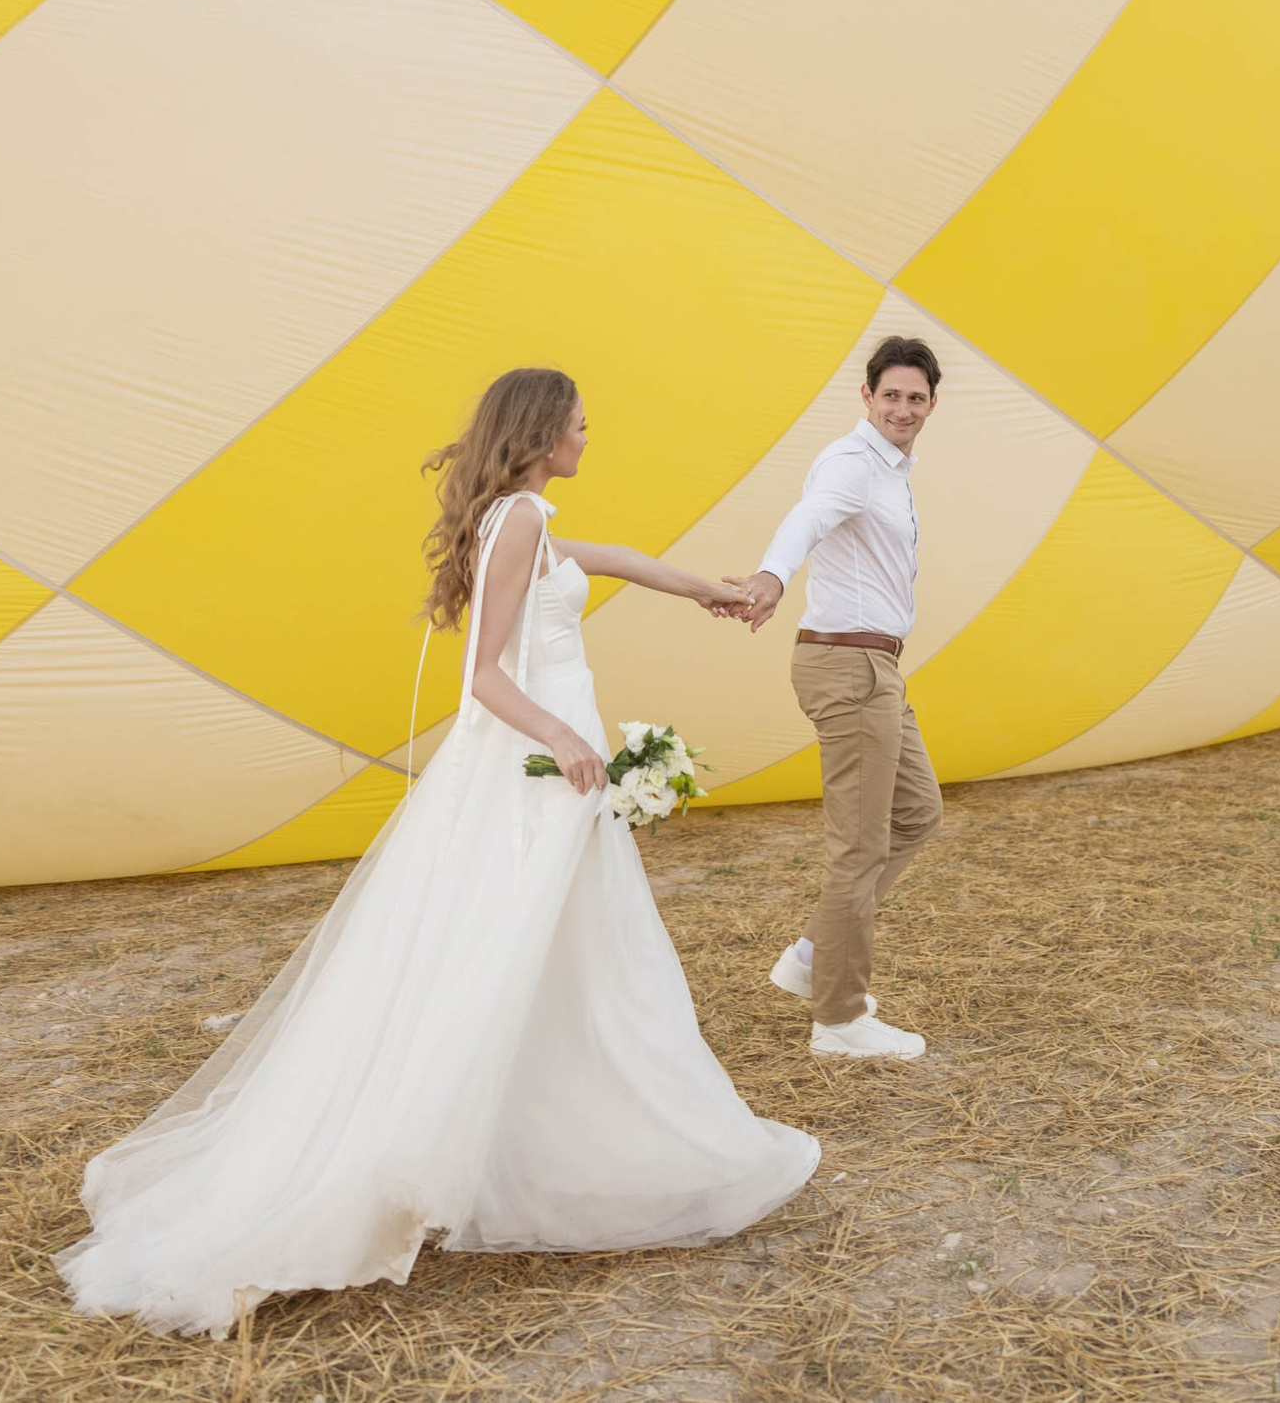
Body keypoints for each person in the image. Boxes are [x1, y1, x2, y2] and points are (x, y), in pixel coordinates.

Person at [56, 368, 817, 1338]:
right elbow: (486, 677)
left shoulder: (525, 518)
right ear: (543, 433)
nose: (590, 437)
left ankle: (552, 1138)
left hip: (550, 772)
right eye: (580, 425)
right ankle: (528, 1147)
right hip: (539, 767)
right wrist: (566, 736)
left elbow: (614, 556)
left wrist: (706, 590)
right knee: (533, 951)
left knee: (566, 953)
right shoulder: (521, 523)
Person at [733, 336, 944, 1062]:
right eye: (891, 395)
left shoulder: (894, 471)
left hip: (877, 667)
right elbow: (810, 519)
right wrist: (771, 576)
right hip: (846, 665)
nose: (903, 408)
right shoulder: (854, 463)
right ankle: (838, 1017)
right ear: (867, 397)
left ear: (931, 404)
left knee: (918, 813)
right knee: (859, 847)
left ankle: (809, 957)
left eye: (916, 398)